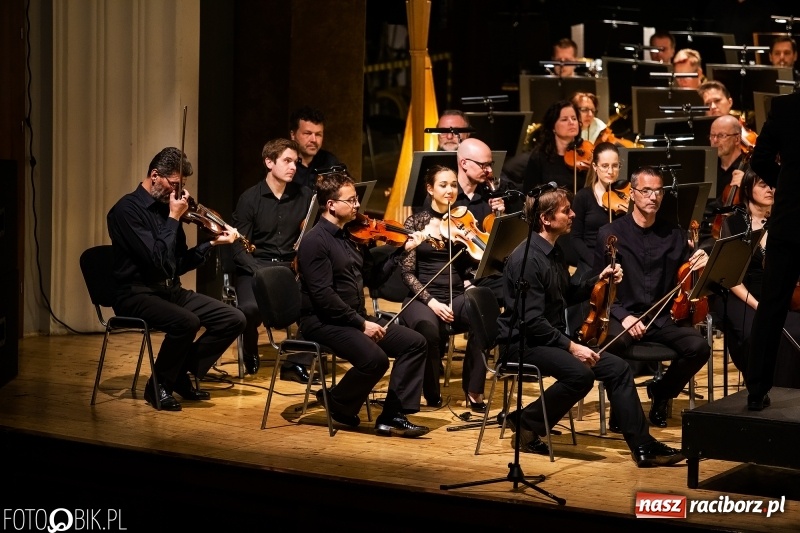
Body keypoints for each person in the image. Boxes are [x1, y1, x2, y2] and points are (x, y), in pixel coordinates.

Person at [496, 188, 684, 467]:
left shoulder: (553, 251)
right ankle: (526, 420)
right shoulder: (527, 260)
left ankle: (643, 446)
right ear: (546, 219)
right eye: (565, 211)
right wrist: (573, 347)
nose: (573, 214)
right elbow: (532, 321)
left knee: (618, 368)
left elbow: (568, 294)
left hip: (550, 339)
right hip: (525, 343)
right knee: (580, 374)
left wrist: (601, 278)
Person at [107, 147, 246, 411]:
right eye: (174, 184)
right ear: (155, 176)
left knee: (233, 319)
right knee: (187, 322)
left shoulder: (169, 209)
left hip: (170, 291)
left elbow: (176, 264)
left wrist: (212, 244)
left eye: (181, 186)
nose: (178, 193)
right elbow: (156, 262)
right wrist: (173, 217)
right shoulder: (126, 211)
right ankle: (157, 386)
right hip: (136, 293)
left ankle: (179, 373)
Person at [296, 170, 430, 436]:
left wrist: (400, 253)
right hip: (322, 321)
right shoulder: (314, 242)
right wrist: (361, 325)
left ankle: (392, 415)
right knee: (375, 359)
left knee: (415, 343)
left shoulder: (352, 236)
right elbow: (324, 297)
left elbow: (373, 278)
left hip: (353, 317)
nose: (358, 206)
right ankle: (338, 402)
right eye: (351, 200)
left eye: (356, 199)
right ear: (331, 205)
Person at [595, 166, 710, 428]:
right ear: (633, 194)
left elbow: (685, 281)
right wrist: (624, 317)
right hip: (622, 313)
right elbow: (598, 286)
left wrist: (698, 261)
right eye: (646, 191)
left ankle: (661, 393)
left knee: (699, 348)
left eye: (658, 191)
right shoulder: (610, 234)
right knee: (610, 346)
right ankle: (621, 408)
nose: (653, 197)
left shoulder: (675, 234)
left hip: (663, 318)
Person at [401, 165, 487, 411]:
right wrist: (433, 303)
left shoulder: (464, 219)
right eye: (443, 185)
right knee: (428, 331)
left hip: (456, 294)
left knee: (483, 319)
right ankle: (431, 392)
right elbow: (406, 272)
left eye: (453, 185)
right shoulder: (416, 221)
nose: (450, 190)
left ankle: (473, 389)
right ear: (430, 189)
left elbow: (474, 262)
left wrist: (471, 274)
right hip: (421, 297)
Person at [231, 138, 316, 381]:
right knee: (249, 308)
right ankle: (249, 346)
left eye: (296, 162)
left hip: (290, 268)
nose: (293, 167)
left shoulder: (306, 196)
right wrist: (257, 270)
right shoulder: (249, 199)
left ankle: (296, 362)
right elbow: (238, 247)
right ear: (269, 162)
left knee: (317, 304)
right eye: (287, 161)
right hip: (256, 266)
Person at [718, 169, 800, 387]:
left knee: (795, 331)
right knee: (756, 335)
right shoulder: (734, 224)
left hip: (779, 296)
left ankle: (787, 393)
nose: (770, 189)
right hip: (744, 296)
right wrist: (758, 305)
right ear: (747, 189)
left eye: (772, 185)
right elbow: (732, 276)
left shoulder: (783, 221)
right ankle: (762, 389)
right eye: (763, 184)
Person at [746, 91, 800, 410]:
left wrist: (789, 182)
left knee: (772, 306)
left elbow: (759, 159)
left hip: (789, 220)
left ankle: (756, 391)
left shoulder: (784, 106)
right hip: (790, 221)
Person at [522, 100, 589, 194]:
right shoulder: (539, 156)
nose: (571, 123)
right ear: (553, 127)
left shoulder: (585, 154)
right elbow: (529, 193)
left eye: (574, 118)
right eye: (564, 119)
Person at [289, 106, 342, 190]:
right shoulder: (283, 164)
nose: (313, 140)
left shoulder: (329, 161)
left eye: (318, 134)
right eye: (307, 133)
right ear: (293, 135)